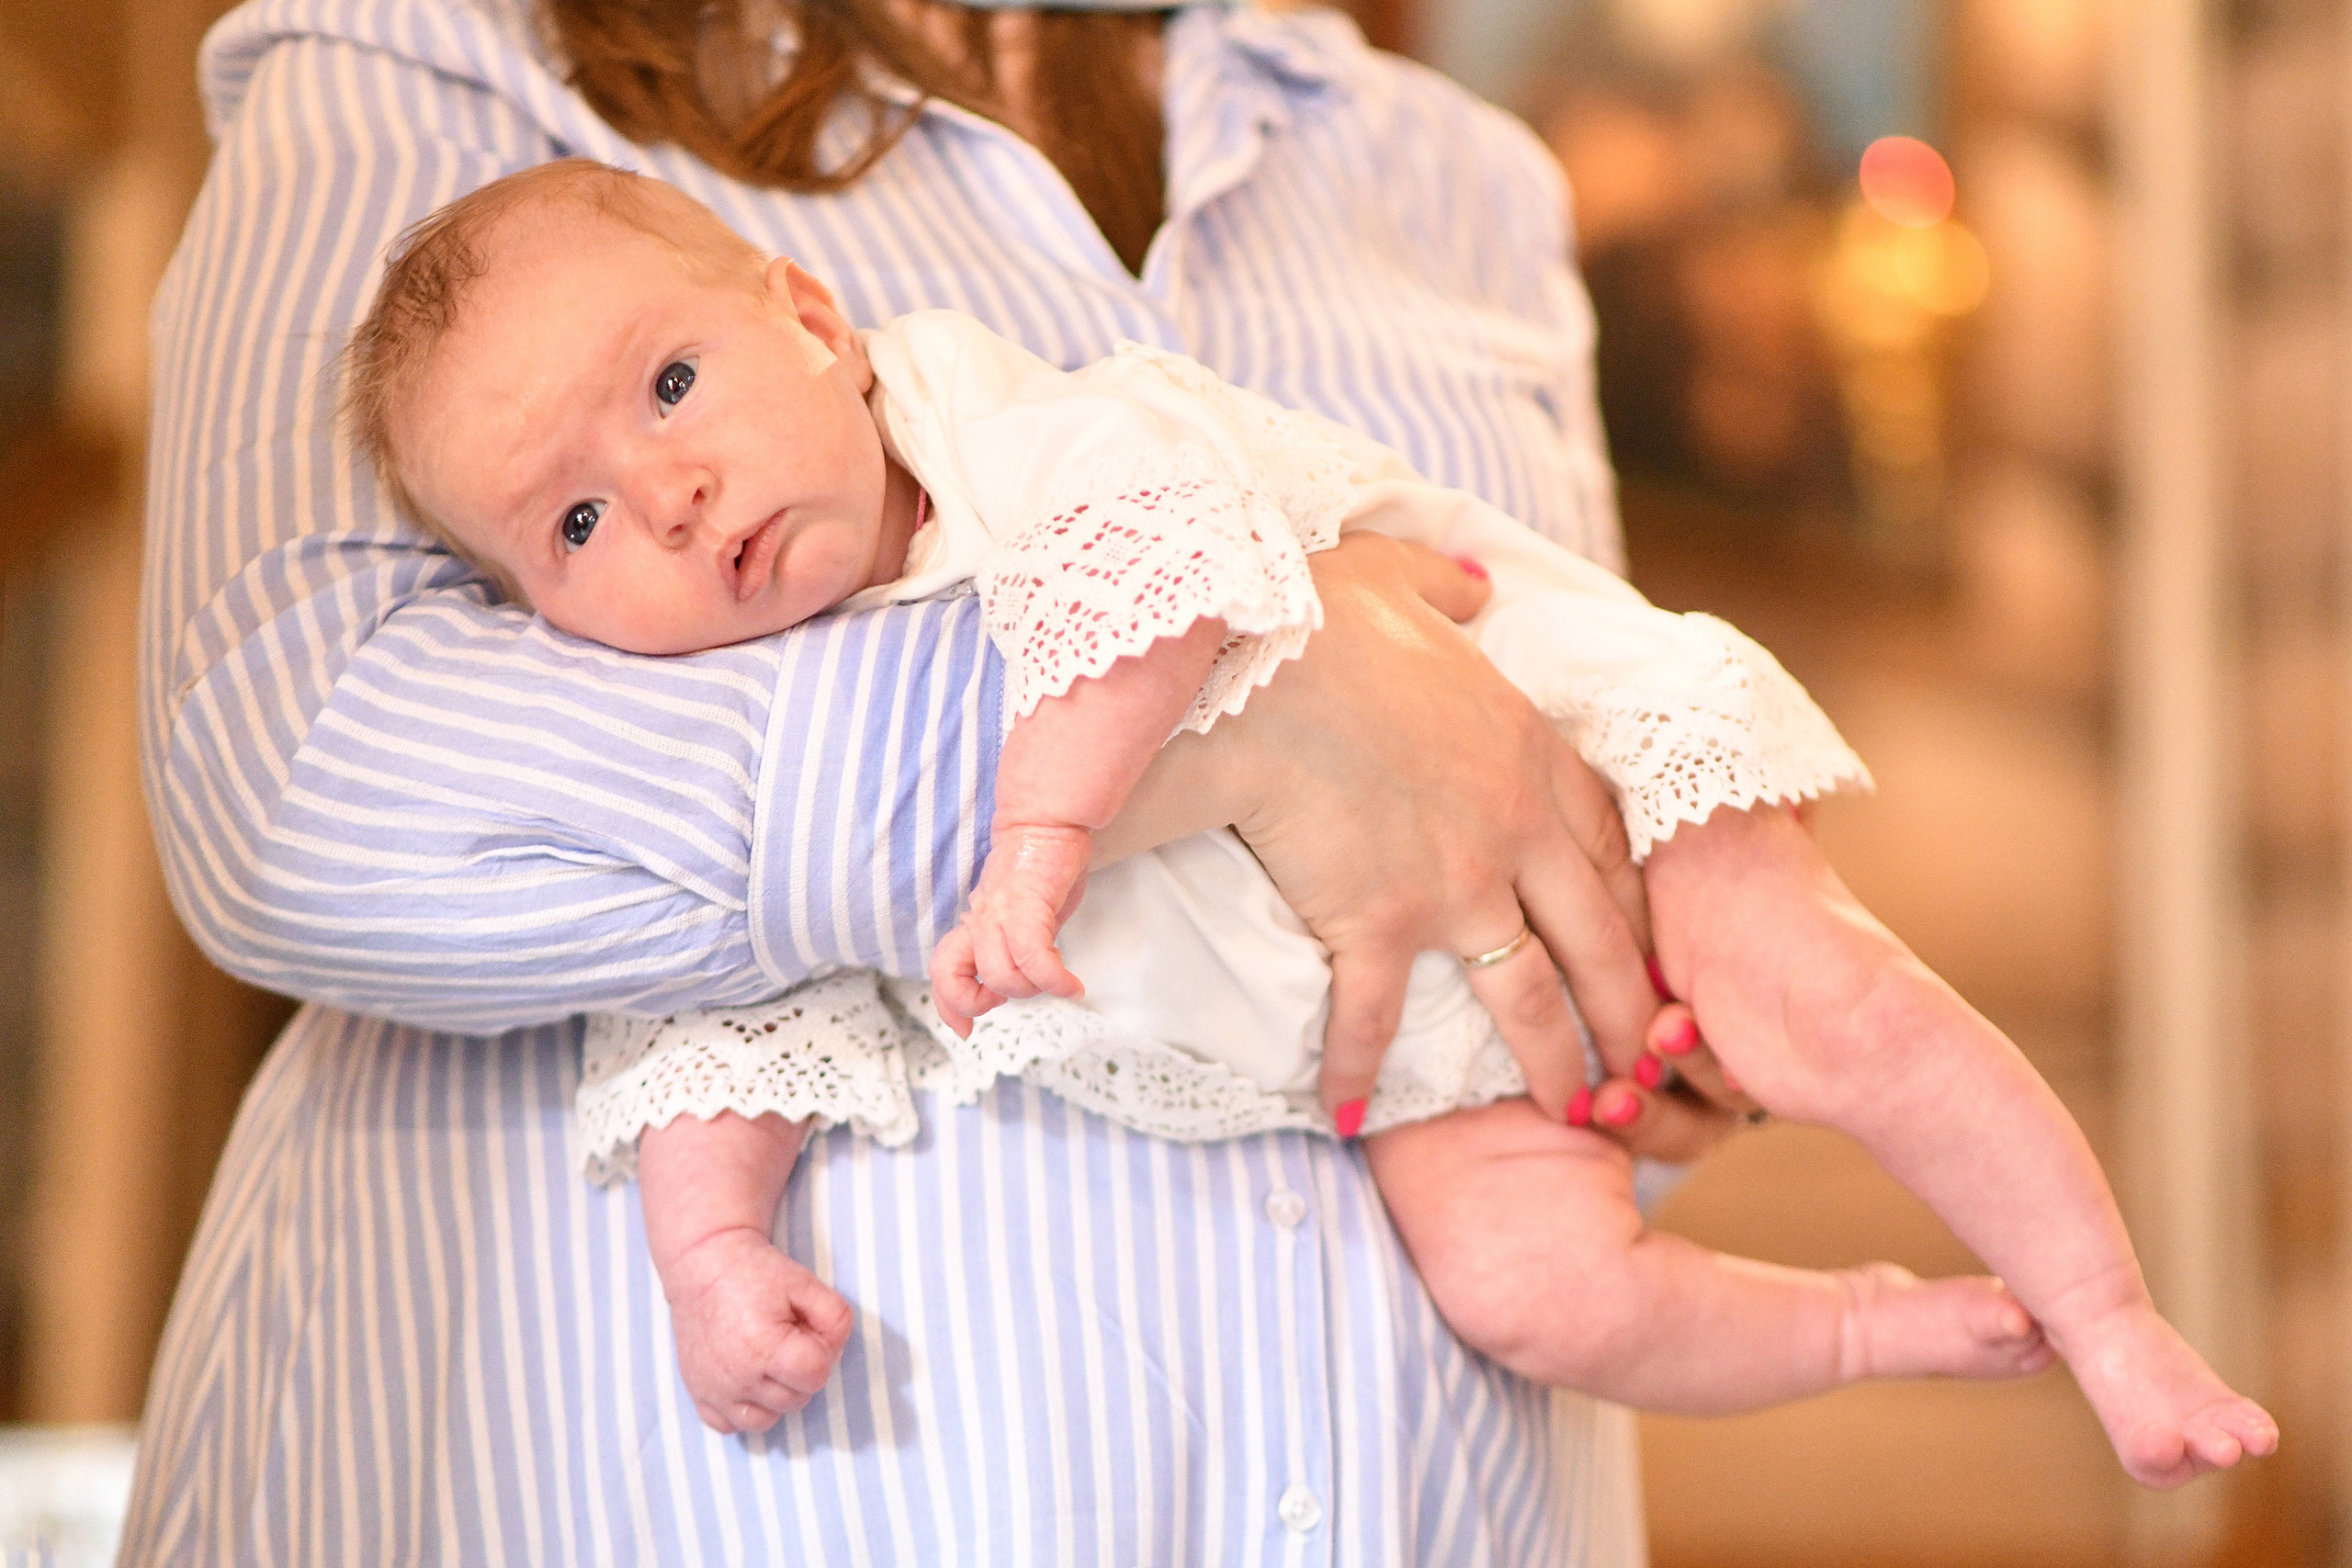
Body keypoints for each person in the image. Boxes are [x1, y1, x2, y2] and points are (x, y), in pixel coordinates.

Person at [129, 0, 1882, 1560]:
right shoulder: (421, 63)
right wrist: (1253, 702)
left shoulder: (1448, 168)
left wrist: (1628, 985)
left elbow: (1528, 809)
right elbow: (298, 781)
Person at [343, 159, 2272, 1484]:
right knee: (1532, 1290)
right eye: (574, 521)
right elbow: (710, 1026)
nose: (667, 496)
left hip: (1566, 746)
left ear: (813, 317)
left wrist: (1029, 846)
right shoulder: (692, 715)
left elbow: (1150, 595)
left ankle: (2110, 1314)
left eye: (670, 384)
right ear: (537, 608)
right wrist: (709, 1254)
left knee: (1819, 1003)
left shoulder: (1009, 435)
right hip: (1408, 1047)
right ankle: (1873, 1328)